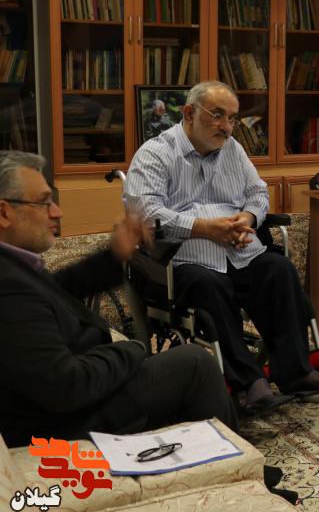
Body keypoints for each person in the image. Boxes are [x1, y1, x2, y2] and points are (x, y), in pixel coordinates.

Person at [124, 81, 319, 411]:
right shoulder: (156, 154)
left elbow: (258, 192)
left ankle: (296, 372)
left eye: (232, 118)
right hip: (183, 259)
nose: (227, 127)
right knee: (209, 285)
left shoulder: (233, 149)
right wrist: (204, 228)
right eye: (217, 115)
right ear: (189, 113)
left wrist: (249, 218)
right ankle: (248, 382)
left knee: (279, 269)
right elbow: (145, 213)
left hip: (239, 251)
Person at [0, 150, 239, 447]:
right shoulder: (7, 286)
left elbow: (56, 291)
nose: (57, 212)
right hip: (66, 424)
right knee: (195, 363)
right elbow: (66, 386)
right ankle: (243, 467)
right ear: (4, 213)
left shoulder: (14, 267)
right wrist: (129, 350)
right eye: (44, 202)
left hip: (74, 399)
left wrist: (114, 255)